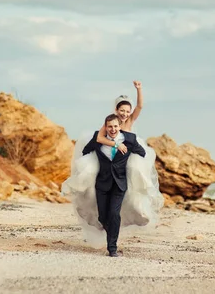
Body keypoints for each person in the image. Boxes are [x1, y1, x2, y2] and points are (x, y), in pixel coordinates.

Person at [61, 81, 164, 251]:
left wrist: (139, 89)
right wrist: (114, 144)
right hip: (113, 150)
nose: (124, 114)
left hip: (129, 151)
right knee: (91, 170)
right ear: (116, 111)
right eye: (121, 111)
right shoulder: (110, 124)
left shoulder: (130, 120)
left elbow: (140, 105)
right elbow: (99, 139)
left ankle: (140, 197)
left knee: (136, 169)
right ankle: (85, 195)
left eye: (126, 111)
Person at [80, 113, 146, 256]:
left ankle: (112, 248)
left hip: (119, 183)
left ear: (119, 126)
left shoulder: (130, 140)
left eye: (115, 126)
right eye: (110, 126)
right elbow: (85, 151)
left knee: (114, 214)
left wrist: (135, 168)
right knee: (103, 217)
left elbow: (142, 153)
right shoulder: (98, 139)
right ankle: (113, 235)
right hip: (102, 183)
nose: (113, 129)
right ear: (106, 127)